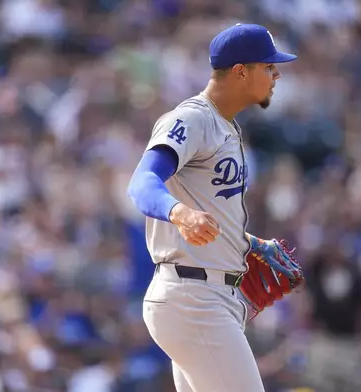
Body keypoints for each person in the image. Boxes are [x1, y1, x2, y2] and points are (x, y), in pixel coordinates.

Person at [127, 23, 299, 392]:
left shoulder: (226, 127)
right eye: (268, 66)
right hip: (193, 299)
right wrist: (179, 213)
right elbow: (141, 184)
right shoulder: (192, 118)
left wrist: (246, 244)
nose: (276, 73)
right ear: (240, 72)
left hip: (205, 297)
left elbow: (205, 210)